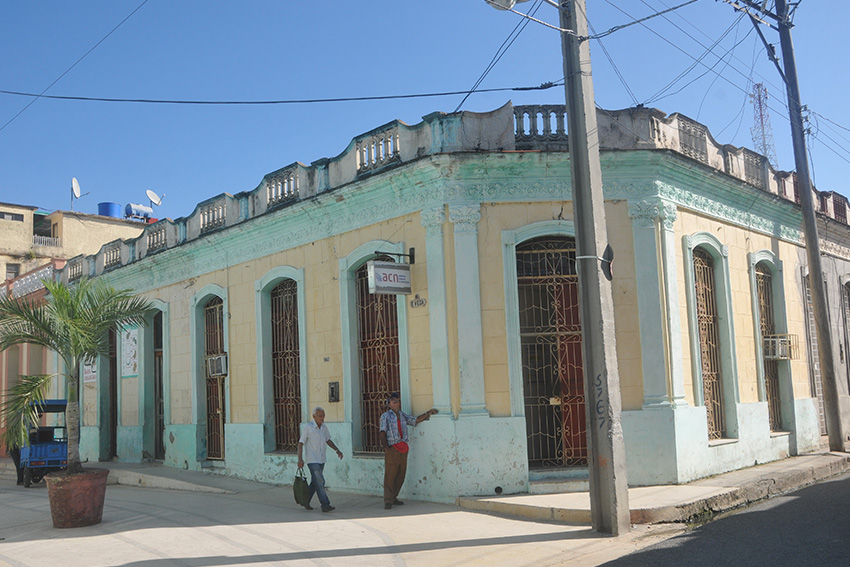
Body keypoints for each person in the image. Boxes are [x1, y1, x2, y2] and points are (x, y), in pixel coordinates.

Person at [379, 392, 438, 510]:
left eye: (397, 399)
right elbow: (382, 432)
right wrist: (386, 448)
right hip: (392, 447)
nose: (396, 401)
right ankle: (388, 500)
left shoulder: (402, 415)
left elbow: (415, 420)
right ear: (389, 404)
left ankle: (394, 497)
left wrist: (428, 413)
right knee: (390, 475)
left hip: (403, 447)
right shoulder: (385, 416)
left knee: (401, 474)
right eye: (393, 400)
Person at [297, 406, 343, 512]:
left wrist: (337, 450)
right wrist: (300, 459)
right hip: (312, 460)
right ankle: (325, 504)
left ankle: (305, 500)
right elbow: (300, 443)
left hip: (322, 459)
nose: (322, 418)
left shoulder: (324, 427)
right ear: (314, 416)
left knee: (315, 482)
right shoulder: (308, 427)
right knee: (320, 481)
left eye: (323, 416)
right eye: (320, 416)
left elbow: (328, 440)